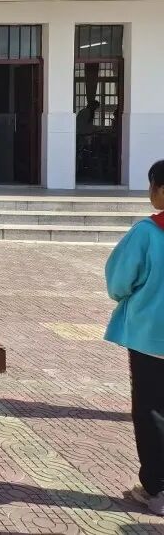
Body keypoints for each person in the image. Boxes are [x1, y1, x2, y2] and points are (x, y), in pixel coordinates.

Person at [105, 160, 164, 516]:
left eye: (152, 185)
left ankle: (156, 488)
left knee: (151, 409)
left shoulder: (147, 233)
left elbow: (119, 281)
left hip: (151, 337)